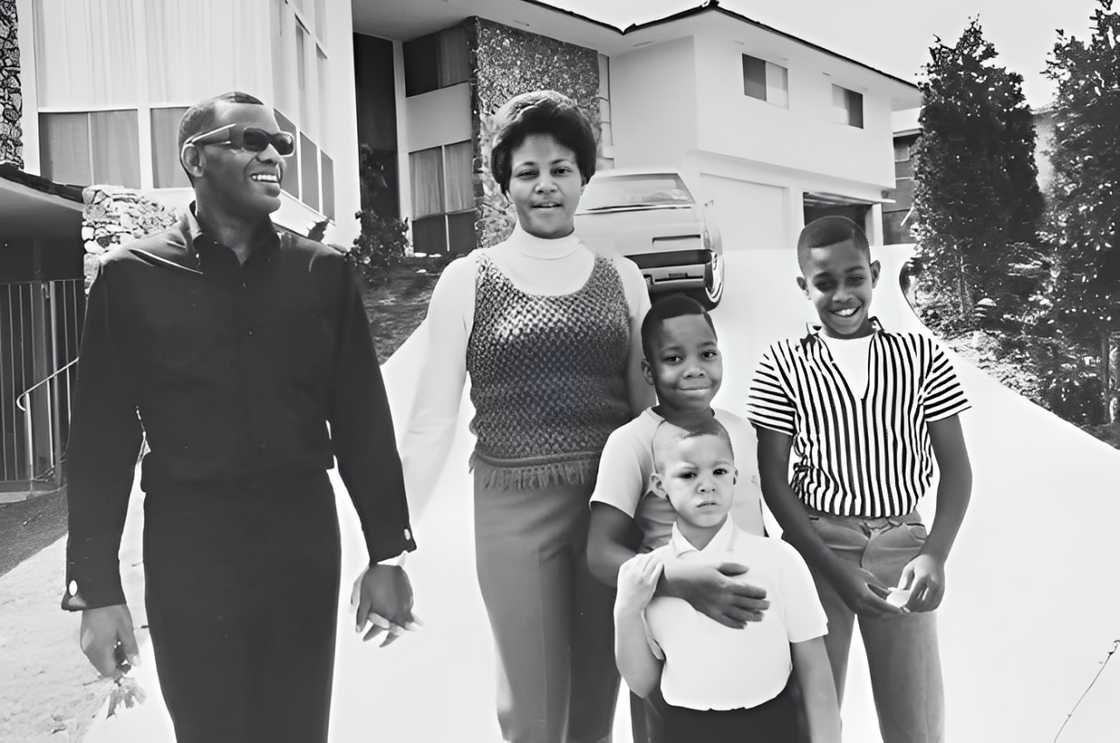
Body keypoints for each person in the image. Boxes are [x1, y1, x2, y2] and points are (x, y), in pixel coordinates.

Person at [63, 91, 418, 743]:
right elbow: (100, 443)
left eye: (279, 143)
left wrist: (387, 552)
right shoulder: (130, 278)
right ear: (195, 160)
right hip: (188, 552)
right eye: (250, 140)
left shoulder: (324, 272)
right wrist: (96, 588)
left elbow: (364, 418)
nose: (274, 154)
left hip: (300, 544)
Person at [399, 89, 653, 743]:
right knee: (535, 714)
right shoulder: (471, 278)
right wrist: (389, 537)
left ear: (584, 177)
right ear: (503, 182)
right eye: (528, 172)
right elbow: (432, 419)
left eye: (561, 169)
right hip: (512, 513)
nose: (545, 186)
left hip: (608, 507)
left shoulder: (622, 279)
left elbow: (649, 412)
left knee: (598, 700)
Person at [747, 215, 973, 743]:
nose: (842, 294)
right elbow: (774, 484)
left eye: (854, 278)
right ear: (804, 287)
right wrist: (832, 568)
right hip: (819, 548)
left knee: (914, 720)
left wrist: (934, 553)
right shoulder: (781, 363)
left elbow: (957, 469)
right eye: (825, 283)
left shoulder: (921, 355)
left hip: (903, 549)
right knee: (814, 716)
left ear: (873, 272)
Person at [586, 293, 771, 742]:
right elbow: (600, 551)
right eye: (674, 358)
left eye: (707, 353)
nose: (694, 369)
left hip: (746, 624)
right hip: (670, 632)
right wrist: (676, 578)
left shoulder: (740, 431)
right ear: (649, 372)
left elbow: (756, 525)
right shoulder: (632, 441)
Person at [613, 420, 840, 743]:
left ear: (735, 476)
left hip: (772, 728)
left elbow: (816, 673)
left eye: (719, 472)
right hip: (681, 731)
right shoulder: (646, 573)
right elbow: (642, 682)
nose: (707, 485)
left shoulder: (779, 560)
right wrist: (626, 611)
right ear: (659, 484)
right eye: (689, 474)